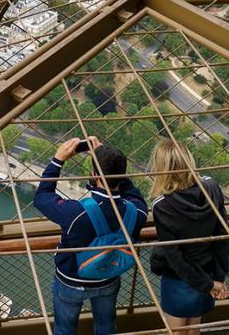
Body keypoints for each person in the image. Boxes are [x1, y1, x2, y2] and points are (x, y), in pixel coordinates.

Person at [34, 137, 148, 335]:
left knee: (64, 328)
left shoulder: (76, 213)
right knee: (106, 327)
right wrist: (110, 164)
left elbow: (42, 197)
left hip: (71, 279)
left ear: (94, 175)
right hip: (109, 277)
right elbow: (134, 195)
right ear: (121, 177)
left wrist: (58, 160)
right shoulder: (137, 212)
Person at [148, 139, 229, 335]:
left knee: (176, 331)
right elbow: (223, 237)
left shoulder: (162, 206)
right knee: (194, 329)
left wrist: (208, 283)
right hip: (208, 271)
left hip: (180, 277)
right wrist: (216, 279)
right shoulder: (211, 187)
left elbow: (174, 256)